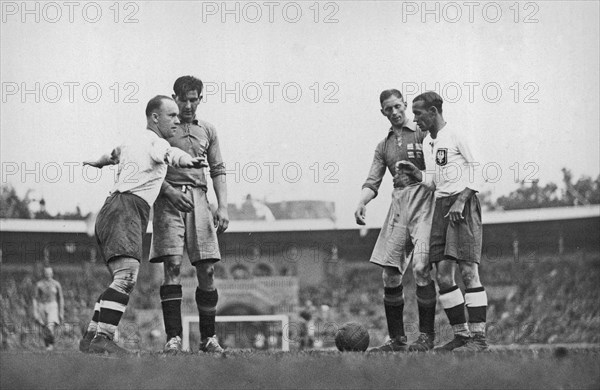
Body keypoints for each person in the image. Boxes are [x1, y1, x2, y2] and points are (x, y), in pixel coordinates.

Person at [78, 95, 207, 356]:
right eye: (171, 115)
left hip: (112, 209)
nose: (177, 119)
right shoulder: (155, 142)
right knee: (126, 278)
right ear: (154, 117)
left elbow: (111, 155)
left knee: (119, 279)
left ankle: (92, 334)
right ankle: (103, 337)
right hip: (126, 210)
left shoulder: (130, 141)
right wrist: (188, 162)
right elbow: (171, 154)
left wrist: (97, 161)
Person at [149, 75, 229, 354]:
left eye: (194, 99)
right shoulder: (164, 128)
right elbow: (150, 166)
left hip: (199, 198)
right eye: (183, 99)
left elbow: (218, 168)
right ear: (175, 98)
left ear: (200, 99)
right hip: (168, 198)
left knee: (206, 268)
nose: (189, 105)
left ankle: (209, 338)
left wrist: (223, 206)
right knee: (171, 266)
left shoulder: (208, 129)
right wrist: (168, 190)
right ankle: (173, 338)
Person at [355, 89, 437, 352]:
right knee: (389, 274)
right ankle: (398, 339)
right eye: (388, 109)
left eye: (398, 106)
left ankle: (426, 336)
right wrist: (362, 201)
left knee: (422, 267)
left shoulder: (424, 133)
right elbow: (373, 181)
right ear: (383, 112)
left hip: (425, 200)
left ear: (404, 105)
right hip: (399, 203)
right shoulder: (384, 146)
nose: (394, 112)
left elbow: (440, 170)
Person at [412, 91, 488, 352]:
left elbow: (479, 168)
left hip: (462, 204)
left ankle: (479, 339)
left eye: (418, 114)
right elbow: (433, 182)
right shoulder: (426, 143)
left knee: (468, 272)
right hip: (442, 206)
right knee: (443, 276)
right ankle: (462, 336)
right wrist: (417, 174)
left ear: (433, 112)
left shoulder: (457, 133)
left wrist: (463, 198)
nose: (415, 119)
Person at [32, 266, 64, 351]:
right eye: (46, 273)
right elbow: (35, 298)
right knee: (44, 328)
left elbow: (60, 298)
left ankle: (51, 344)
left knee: (50, 327)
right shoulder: (39, 284)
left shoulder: (56, 284)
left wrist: (61, 312)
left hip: (53, 306)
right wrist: (35, 311)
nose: (48, 274)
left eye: (50, 273)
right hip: (42, 306)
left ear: (52, 273)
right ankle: (48, 346)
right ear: (43, 273)